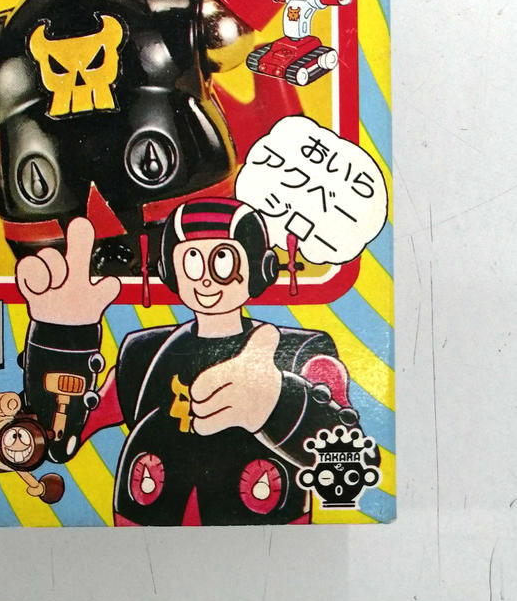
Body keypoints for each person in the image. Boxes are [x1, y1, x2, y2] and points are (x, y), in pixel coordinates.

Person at [18, 201, 365, 525]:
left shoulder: (298, 350)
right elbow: (61, 440)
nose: (206, 279)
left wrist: (277, 403)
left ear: (260, 269)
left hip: (268, 523)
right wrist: (62, 336)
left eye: (223, 260)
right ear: (170, 270)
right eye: (192, 261)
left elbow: (346, 456)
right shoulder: (143, 353)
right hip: (143, 522)